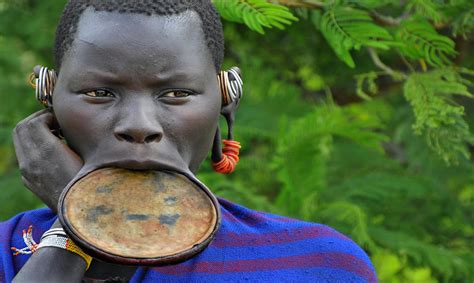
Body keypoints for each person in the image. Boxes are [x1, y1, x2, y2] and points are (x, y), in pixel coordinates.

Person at [0, 1, 378, 282]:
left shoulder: (319, 265)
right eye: (99, 92)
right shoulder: (6, 253)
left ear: (225, 101)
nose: (139, 126)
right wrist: (76, 229)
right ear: (49, 98)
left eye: (176, 93)